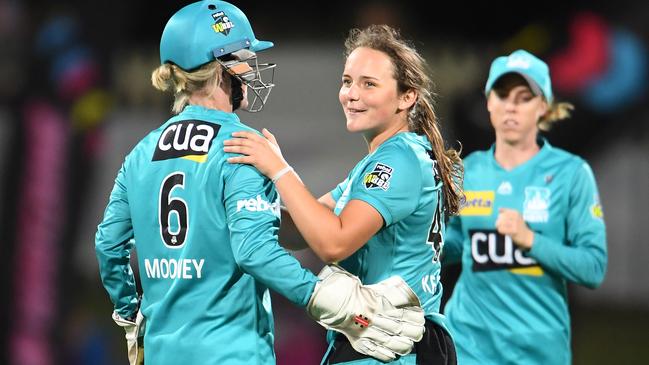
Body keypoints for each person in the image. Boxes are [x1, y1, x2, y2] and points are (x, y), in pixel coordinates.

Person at [94, 3, 426, 365]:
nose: (250, 68)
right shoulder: (242, 145)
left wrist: (130, 315)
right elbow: (255, 253)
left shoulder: (141, 152)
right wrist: (336, 303)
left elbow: (109, 245)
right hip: (232, 352)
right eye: (243, 57)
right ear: (221, 68)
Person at [224, 25, 463, 365]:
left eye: (369, 84)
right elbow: (301, 232)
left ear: (407, 96)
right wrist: (263, 190)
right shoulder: (389, 157)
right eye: (348, 81)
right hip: (385, 341)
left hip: (391, 346)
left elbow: (333, 243)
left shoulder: (398, 160)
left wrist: (280, 170)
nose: (352, 94)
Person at [441, 49, 608, 365]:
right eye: (502, 96)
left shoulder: (571, 174)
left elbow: (593, 268)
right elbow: (454, 245)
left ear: (543, 106)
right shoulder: (466, 172)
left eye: (524, 97)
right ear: (489, 103)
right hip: (468, 347)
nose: (511, 107)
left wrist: (530, 240)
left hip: (538, 352)